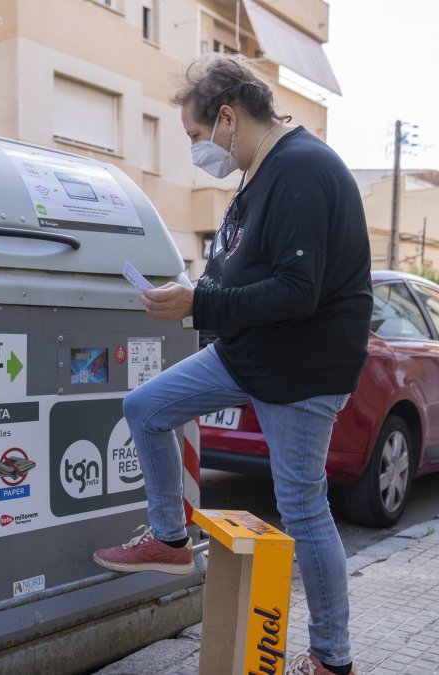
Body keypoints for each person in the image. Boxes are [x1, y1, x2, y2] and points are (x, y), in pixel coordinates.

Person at [92, 55, 372, 675]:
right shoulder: (258, 175)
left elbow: (299, 289)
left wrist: (199, 302)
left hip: (302, 367)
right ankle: (169, 539)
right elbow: (239, 269)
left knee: (302, 507)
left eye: (195, 136)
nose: (196, 149)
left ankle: (333, 659)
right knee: (146, 406)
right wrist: (193, 290)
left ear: (226, 117)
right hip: (251, 351)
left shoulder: (301, 169)